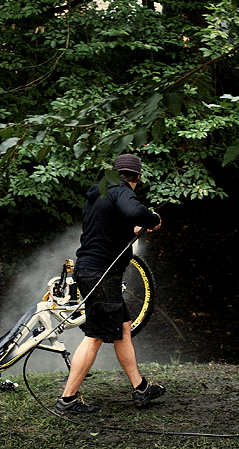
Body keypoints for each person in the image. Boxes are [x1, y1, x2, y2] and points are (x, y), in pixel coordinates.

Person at [56, 154, 165, 414]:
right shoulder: (120, 190)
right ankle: (67, 400)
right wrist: (152, 218)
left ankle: (140, 388)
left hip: (91, 270)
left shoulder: (99, 194)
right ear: (136, 177)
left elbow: (111, 227)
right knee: (95, 336)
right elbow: (136, 212)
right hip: (101, 274)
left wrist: (137, 228)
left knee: (124, 327)